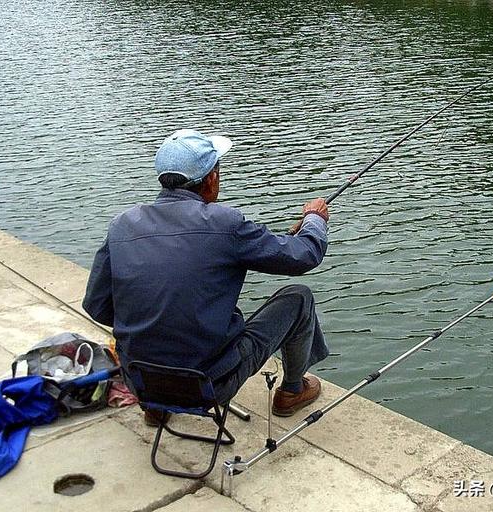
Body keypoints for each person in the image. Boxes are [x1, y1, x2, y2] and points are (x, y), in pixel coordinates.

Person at [82, 129, 330, 423]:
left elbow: (97, 306)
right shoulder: (226, 224)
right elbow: (303, 255)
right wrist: (314, 219)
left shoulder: (121, 225)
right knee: (298, 297)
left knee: (161, 326)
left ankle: (158, 407)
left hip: (141, 381)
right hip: (208, 385)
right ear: (211, 178)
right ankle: (292, 390)